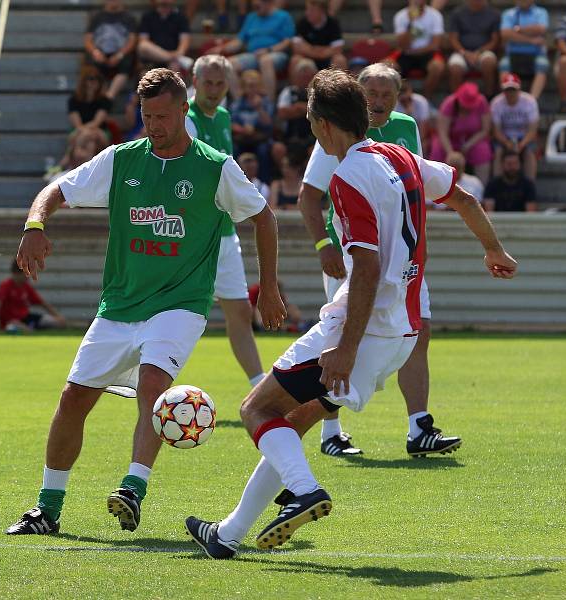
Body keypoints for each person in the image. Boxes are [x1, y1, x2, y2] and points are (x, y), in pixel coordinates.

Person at [185, 68, 518, 559]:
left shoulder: (347, 177)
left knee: (256, 409)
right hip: (401, 334)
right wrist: (494, 249)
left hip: (361, 329)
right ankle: (229, 535)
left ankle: (304, 491)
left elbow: (365, 265)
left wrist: (343, 347)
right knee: (293, 422)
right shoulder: (399, 156)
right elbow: (463, 196)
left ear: (321, 126)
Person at [5, 68, 285, 536]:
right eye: (145, 115)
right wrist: (35, 225)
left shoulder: (214, 166)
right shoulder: (120, 160)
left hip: (181, 304)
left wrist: (269, 287)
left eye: (161, 115)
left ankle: (133, 488)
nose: (153, 124)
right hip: (119, 305)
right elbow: (56, 190)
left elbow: (264, 217)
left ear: (183, 111)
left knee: (154, 385)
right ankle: (46, 509)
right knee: (73, 399)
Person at [299, 63, 459, 460]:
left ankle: (419, 426)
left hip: (401, 260)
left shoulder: (406, 128)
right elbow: (308, 195)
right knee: (337, 338)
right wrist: (324, 245)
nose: (379, 99)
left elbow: (418, 187)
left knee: (418, 333)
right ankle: (330, 432)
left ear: (399, 96)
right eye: (371, 91)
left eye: (387, 92)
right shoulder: (336, 132)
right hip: (353, 257)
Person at [185, 54, 266, 389]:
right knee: (173, 313)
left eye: (220, 83)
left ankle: (260, 386)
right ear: (195, 81)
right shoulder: (184, 119)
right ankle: (137, 381)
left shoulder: (222, 116)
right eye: (209, 82)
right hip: (188, 235)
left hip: (223, 231)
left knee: (241, 311)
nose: (215, 89)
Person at [206, 0, 295, 100]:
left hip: (275, 53)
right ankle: (240, 103)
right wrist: (220, 49)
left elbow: (288, 41)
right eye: (255, 6)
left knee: (265, 60)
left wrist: (268, 50)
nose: (255, 7)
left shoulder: (283, 16)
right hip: (253, 55)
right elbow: (239, 42)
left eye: (258, 5)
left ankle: (268, 104)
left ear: (269, 3)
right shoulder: (252, 17)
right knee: (228, 64)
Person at [430, 81, 493, 183]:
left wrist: (469, 144)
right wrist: (450, 152)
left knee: (483, 151)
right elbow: (442, 132)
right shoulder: (449, 104)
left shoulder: (482, 102)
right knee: (437, 150)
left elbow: (485, 130)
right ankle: (436, 185)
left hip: (473, 139)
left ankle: (482, 187)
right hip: (450, 139)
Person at [0, 260, 66, 332]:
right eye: (26, 273)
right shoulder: (6, 285)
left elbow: (42, 303)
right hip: (11, 321)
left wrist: (58, 316)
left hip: (27, 318)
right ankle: (26, 329)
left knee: (58, 323)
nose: (28, 276)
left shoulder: (26, 286)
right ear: (16, 273)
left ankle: (32, 328)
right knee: (14, 326)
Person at [84, 0, 138, 101]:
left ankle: (109, 97)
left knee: (127, 63)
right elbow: (88, 40)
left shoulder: (129, 17)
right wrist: (95, 52)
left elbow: (132, 40)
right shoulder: (97, 17)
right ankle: (96, 97)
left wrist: (120, 54)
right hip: (100, 52)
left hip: (121, 53)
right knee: (92, 65)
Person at [391, 0, 446, 98]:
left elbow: (435, 44)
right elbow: (402, 45)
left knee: (437, 67)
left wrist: (416, 51)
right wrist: (411, 22)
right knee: (388, 66)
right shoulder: (401, 16)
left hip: (428, 53)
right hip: (406, 54)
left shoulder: (435, 15)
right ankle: (400, 98)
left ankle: (426, 99)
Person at [490, 73, 538, 181]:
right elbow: (496, 131)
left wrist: (522, 144)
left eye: (513, 90)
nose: (510, 93)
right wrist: (507, 143)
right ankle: (497, 184)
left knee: (529, 152)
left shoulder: (529, 102)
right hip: (504, 137)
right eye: (508, 90)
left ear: (519, 90)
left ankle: (530, 185)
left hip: (524, 137)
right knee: (498, 153)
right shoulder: (496, 103)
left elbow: (532, 130)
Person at [447, 0, 500, 97]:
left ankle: (489, 97)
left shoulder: (494, 14)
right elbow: (453, 39)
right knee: (455, 67)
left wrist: (479, 52)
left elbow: (494, 40)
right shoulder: (457, 13)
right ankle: (456, 101)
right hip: (462, 52)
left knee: (489, 62)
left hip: (484, 51)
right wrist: (464, 53)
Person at [499, 0, 549, 100]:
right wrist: (531, 40)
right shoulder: (508, 13)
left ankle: (532, 101)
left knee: (542, 64)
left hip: (536, 54)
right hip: (513, 55)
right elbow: (505, 34)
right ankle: (507, 100)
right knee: (504, 64)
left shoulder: (541, 12)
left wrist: (517, 30)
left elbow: (541, 29)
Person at [230, 69, 275, 178]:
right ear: (244, 87)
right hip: (242, 139)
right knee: (232, 149)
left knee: (263, 151)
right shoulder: (237, 103)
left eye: (255, 85)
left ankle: (263, 183)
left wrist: (259, 109)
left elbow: (269, 123)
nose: (252, 89)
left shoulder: (265, 102)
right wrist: (242, 129)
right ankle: (234, 180)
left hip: (260, 139)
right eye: (249, 86)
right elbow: (230, 123)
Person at [137, 0, 193, 74]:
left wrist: (179, 52)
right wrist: (169, 56)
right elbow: (143, 40)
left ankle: (174, 59)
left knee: (175, 68)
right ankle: (175, 58)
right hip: (153, 56)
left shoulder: (181, 17)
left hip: (174, 54)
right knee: (143, 45)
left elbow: (185, 41)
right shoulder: (147, 16)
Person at [276, 58, 317, 156]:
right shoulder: (288, 92)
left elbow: (321, 112)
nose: (305, 79)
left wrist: (301, 108)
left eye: (308, 76)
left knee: (313, 152)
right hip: (291, 137)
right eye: (302, 76)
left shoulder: (318, 92)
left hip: (313, 138)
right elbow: (282, 113)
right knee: (278, 149)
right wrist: (305, 109)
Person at [291, 0, 347, 71]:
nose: (307, 13)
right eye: (307, 9)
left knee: (340, 60)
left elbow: (337, 49)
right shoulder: (302, 23)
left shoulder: (333, 23)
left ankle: (339, 82)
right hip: (307, 58)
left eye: (312, 10)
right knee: (295, 60)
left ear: (322, 11)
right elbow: (296, 48)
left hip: (328, 59)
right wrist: (320, 51)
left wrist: (311, 49)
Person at [68, 65, 112, 133]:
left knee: (90, 136)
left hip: (99, 130)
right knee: (89, 139)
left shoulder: (105, 100)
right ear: (84, 81)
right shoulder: (74, 99)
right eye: (91, 78)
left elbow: (97, 123)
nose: (95, 81)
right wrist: (85, 131)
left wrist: (86, 131)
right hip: (78, 131)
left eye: (98, 79)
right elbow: (77, 124)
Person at [394, 80, 434, 156]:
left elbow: (424, 125)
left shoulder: (421, 101)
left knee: (424, 145)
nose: (405, 99)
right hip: (405, 134)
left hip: (423, 135)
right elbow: (399, 127)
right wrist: (407, 113)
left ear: (410, 91)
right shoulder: (395, 105)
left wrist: (419, 141)